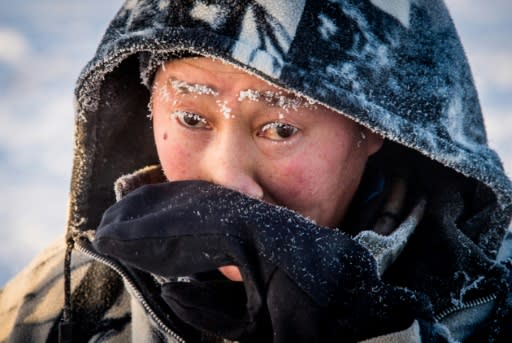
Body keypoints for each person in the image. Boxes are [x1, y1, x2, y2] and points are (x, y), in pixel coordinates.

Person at [1, 0, 511, 342]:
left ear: (373, 127)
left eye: (281, 129)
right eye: (192, 118)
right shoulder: (69, 294)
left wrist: (371, 328)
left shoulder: (495, 305)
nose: (228, 179)